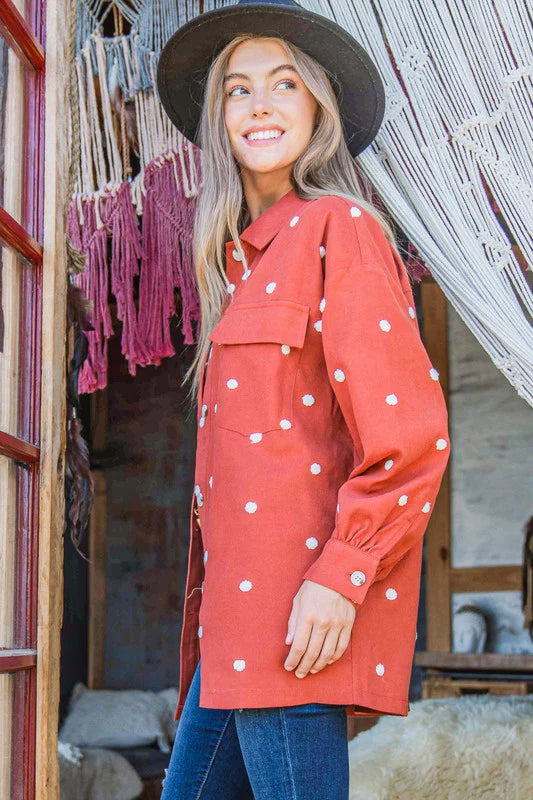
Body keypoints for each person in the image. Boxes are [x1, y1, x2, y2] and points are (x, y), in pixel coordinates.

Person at [156, 1, 450, 797]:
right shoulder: (238, 263)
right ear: (218, 116)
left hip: (292, 623)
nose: (259, 104)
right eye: (237, 89)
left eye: (284, 84)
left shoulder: (339, 228)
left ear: (317, 106)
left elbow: (411, 436)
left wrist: (340, 575)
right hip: (229, 631)